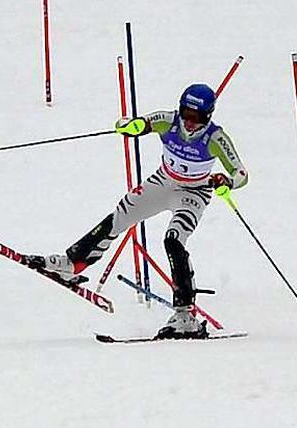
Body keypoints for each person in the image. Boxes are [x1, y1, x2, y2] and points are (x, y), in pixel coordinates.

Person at [28, 83, 249, 339]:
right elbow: (141, 123)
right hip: (162, 182)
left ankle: (185, 315)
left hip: (193, 193)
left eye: (196, 118)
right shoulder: (169, 120)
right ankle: (72, 263)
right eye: (186, 114)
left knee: (174, 240)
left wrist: (227, 181)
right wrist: (130, 126)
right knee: (120, 215)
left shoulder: (215, 138)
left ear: (208, 116)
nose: (189, 123)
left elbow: (241, 173)